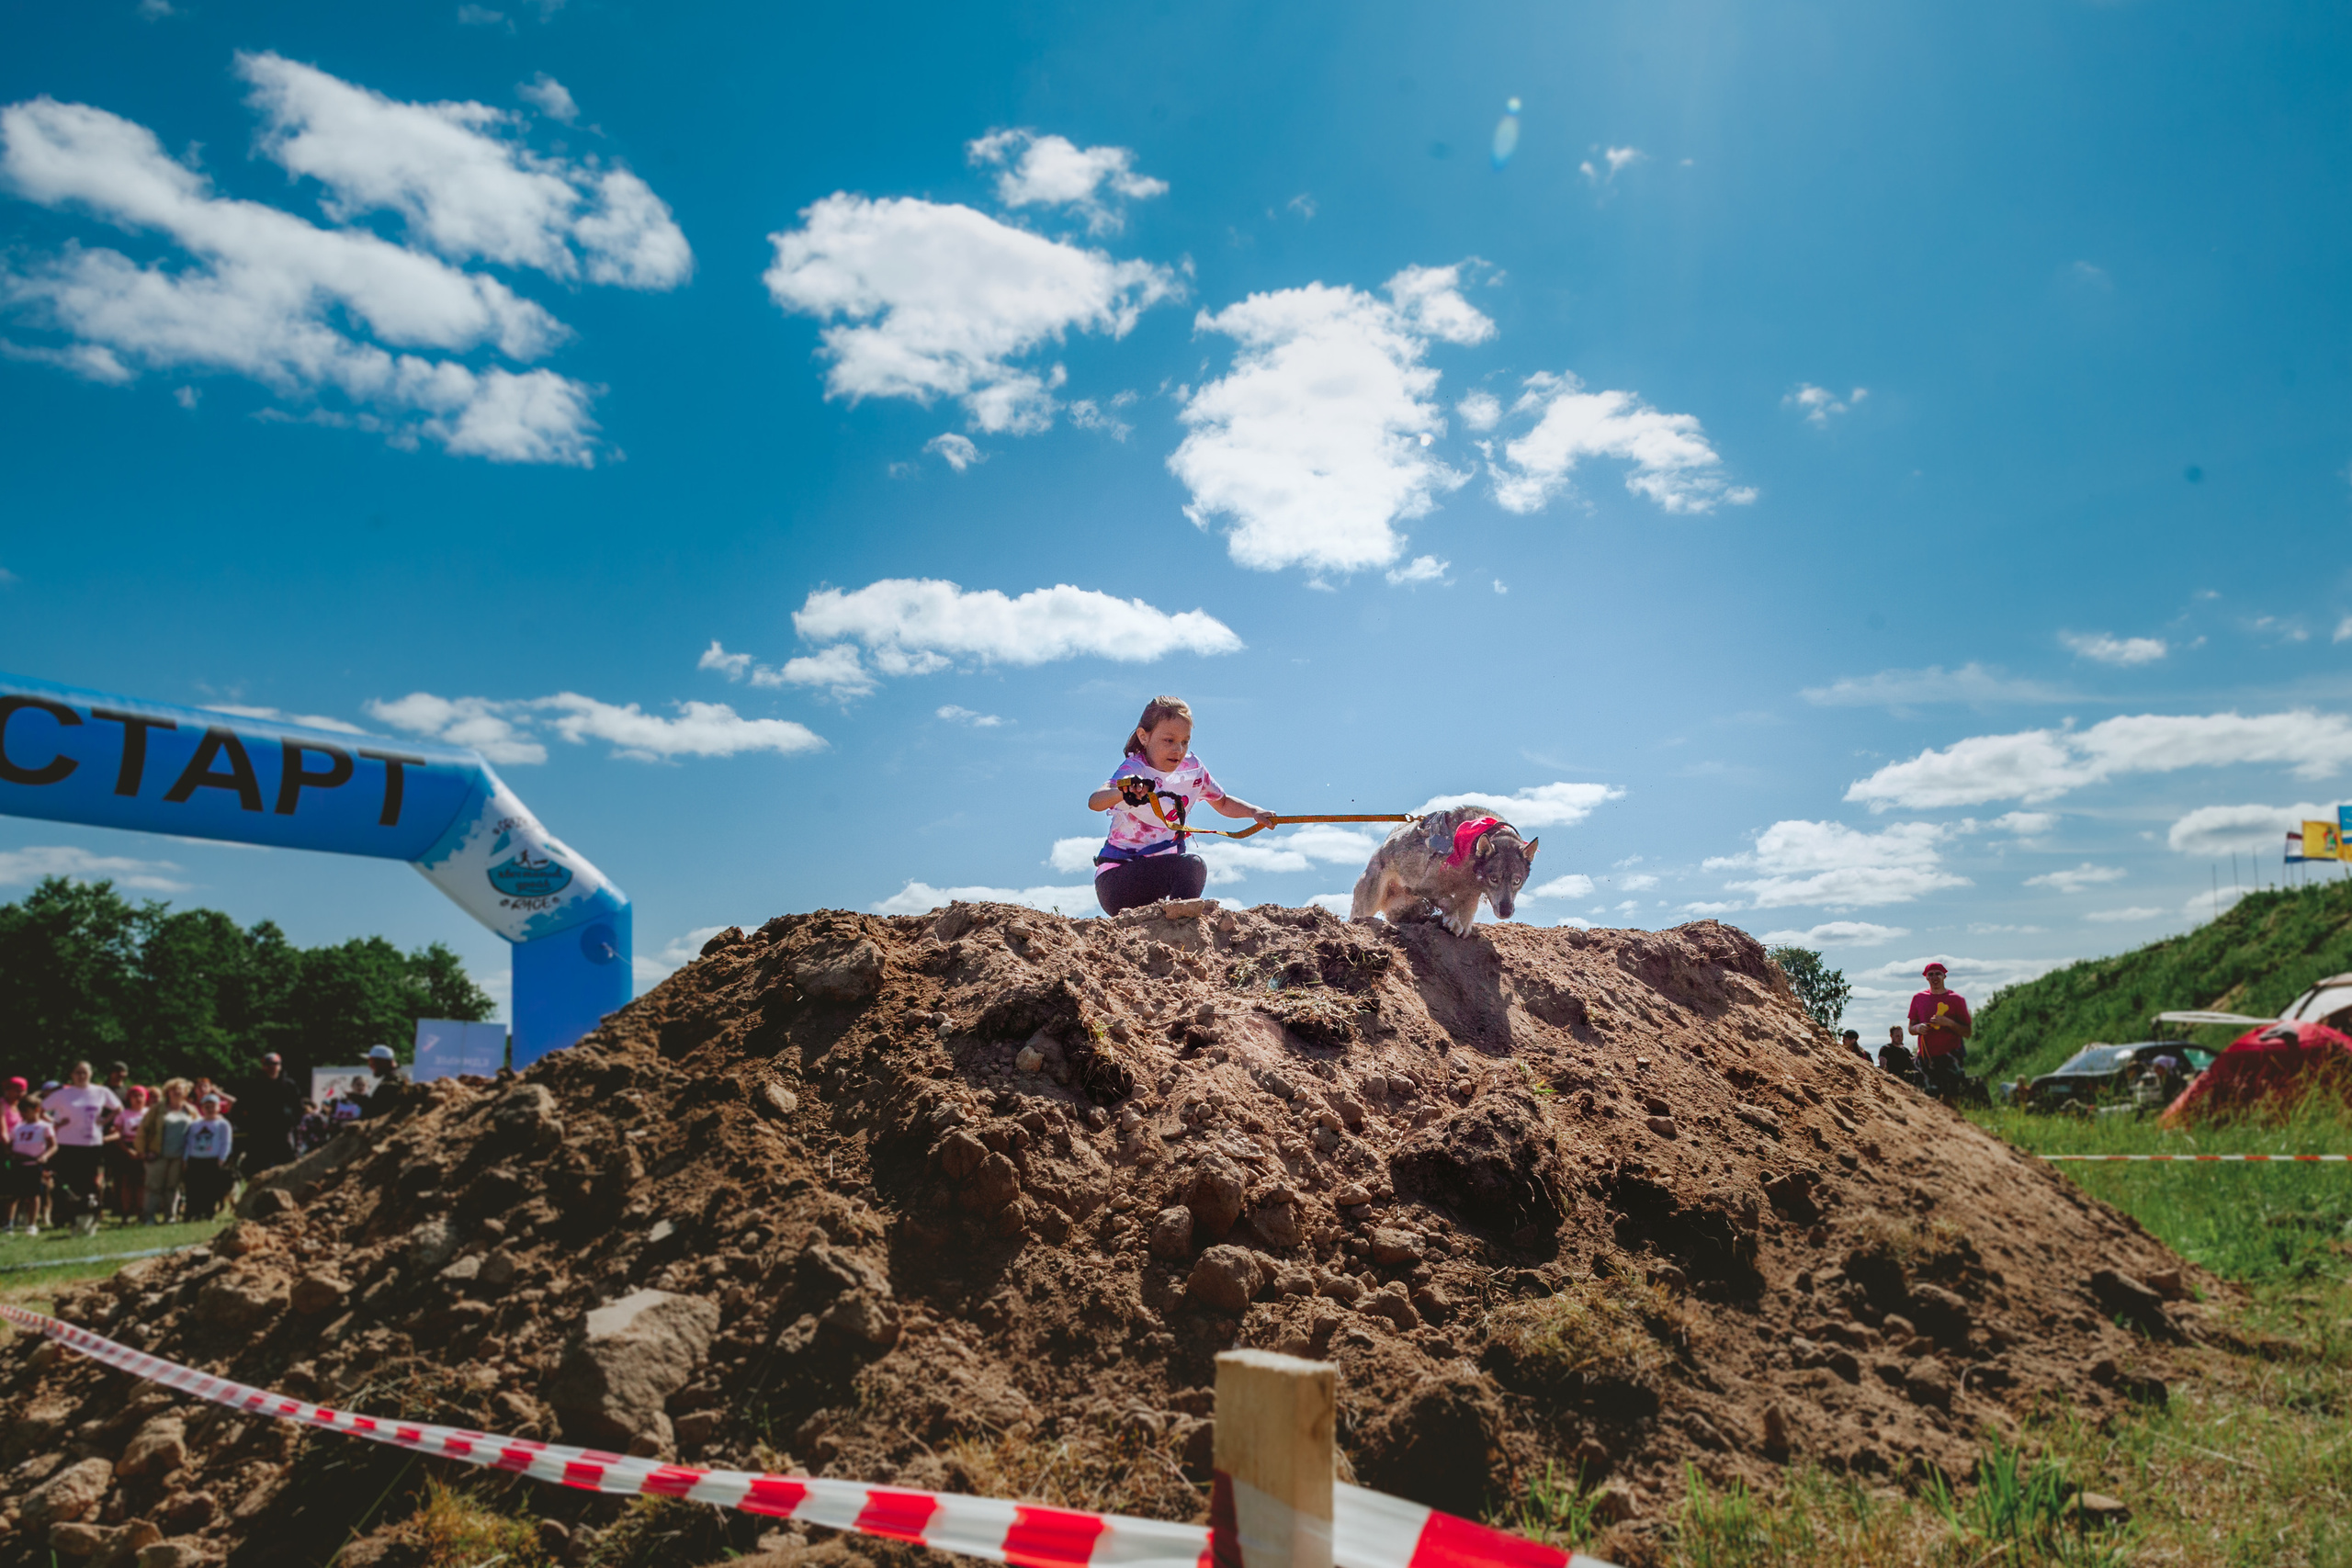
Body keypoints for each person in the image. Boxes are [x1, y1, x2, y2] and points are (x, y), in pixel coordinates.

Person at [1086, 695, 1276, 917]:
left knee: (1191, 867)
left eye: (1185, 742)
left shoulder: (1192, 769)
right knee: (1191, 865)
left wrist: (1254, 812)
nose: (1178, 749)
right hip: (1117, 881)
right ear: (1143, 737)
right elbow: (1095, 802)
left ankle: (1176, 926)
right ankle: (1182, 923)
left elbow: (1222, 802)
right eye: (1169, 740)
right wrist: (1124, 791)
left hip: (1161, 879)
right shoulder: (1135, 768)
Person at [46, 1061, 122, 1238]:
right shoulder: (63, 1094)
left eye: (85, 1072)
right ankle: (63, 1217)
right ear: (71, 1075)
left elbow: (118, 1108)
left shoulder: (101, 1091)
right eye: (77, 1073)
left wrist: (104, 1120)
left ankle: (90, 1218)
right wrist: (55, 1123)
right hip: (67, 1143)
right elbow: (41, 1109)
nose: (81, 1076)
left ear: (91, 1074)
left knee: (90, 1183)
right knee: (65, 1182)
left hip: (91, 1144)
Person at [1908, 961, 1973, 1102]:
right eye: (1930, 974)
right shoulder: (1918, 998)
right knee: (1925, 1100)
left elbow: (1967, 1032)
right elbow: (1911, 1028)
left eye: (1938, 974)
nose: (1934, 977)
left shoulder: (1956, 1000)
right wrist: (1918, 1028)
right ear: (1926, 978)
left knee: (1951, 1100)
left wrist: (1948, 1023)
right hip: (1925, 1058)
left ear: (1944, 976)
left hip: (1950, 1058)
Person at [135, 1080, 194, 1225]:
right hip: (157, 1155)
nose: (177, 1092)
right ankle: (148, 1217)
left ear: (185, 1092)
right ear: (167, 1092)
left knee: (172, 1188)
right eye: (173, 1089)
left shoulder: (191, 1110)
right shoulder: (157, 1109)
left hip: (179, 1157)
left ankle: (170, 1216)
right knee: (153, 1187)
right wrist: (142, 1151)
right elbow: (143, 1130)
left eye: (180, 1089)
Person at [236, 1052, 304, 1173]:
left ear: (280, 1066)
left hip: (282, 1131)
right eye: (268, 1064)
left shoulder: (289, 1085)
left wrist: (293, 1122)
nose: (272, 1067)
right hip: (260, 1132)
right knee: (257, 1166)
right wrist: (246, 1125)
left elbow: (298, 1106)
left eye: (275, 1064)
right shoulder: (253, 1085)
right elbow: (240, 1107)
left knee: (287, 1165)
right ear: (263, 1066)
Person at [6, 1096, 55, 1235]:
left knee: (33, 1195)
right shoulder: (18, 1127)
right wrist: (12, 1153)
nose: (23, 1114)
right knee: (13, 1195)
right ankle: (8, 1224)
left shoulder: (45, 1127)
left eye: (26, 1111)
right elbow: (10, 1145)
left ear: (37, 1110)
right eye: (21, 1112)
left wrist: (44, 1156)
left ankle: (32, 1224)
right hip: (18, 1165)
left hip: (34, 1165)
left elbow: (53, 1146)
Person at [183, 1094, 234, 1221]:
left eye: (213, 1106)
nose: (210, 1109)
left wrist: (222, 1157)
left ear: (218, 1107)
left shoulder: (223, 1124)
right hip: (195, 1158)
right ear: (202, 1108)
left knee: (210, 1188)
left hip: (212, 1158)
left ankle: (209, 1213)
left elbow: (226, 1142)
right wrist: (185, 1158)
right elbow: (189, 1141)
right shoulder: (195, 1124)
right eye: (207, 1106)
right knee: (193, 1188)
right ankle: (192, 1213)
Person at [108, 1086, 149, 1224]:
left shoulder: (149, 1113)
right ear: (129, 1098)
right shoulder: (123, 1114)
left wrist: (145, 1151)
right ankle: (126, 1213)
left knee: (142, 1183)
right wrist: (128, 1151)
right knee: (126, 1182)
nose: (138, 1099)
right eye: (135, 1096)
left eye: (141, 1096)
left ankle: (141, 1212)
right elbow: (117, 1135)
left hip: (145, 1148)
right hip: (127, 1148)